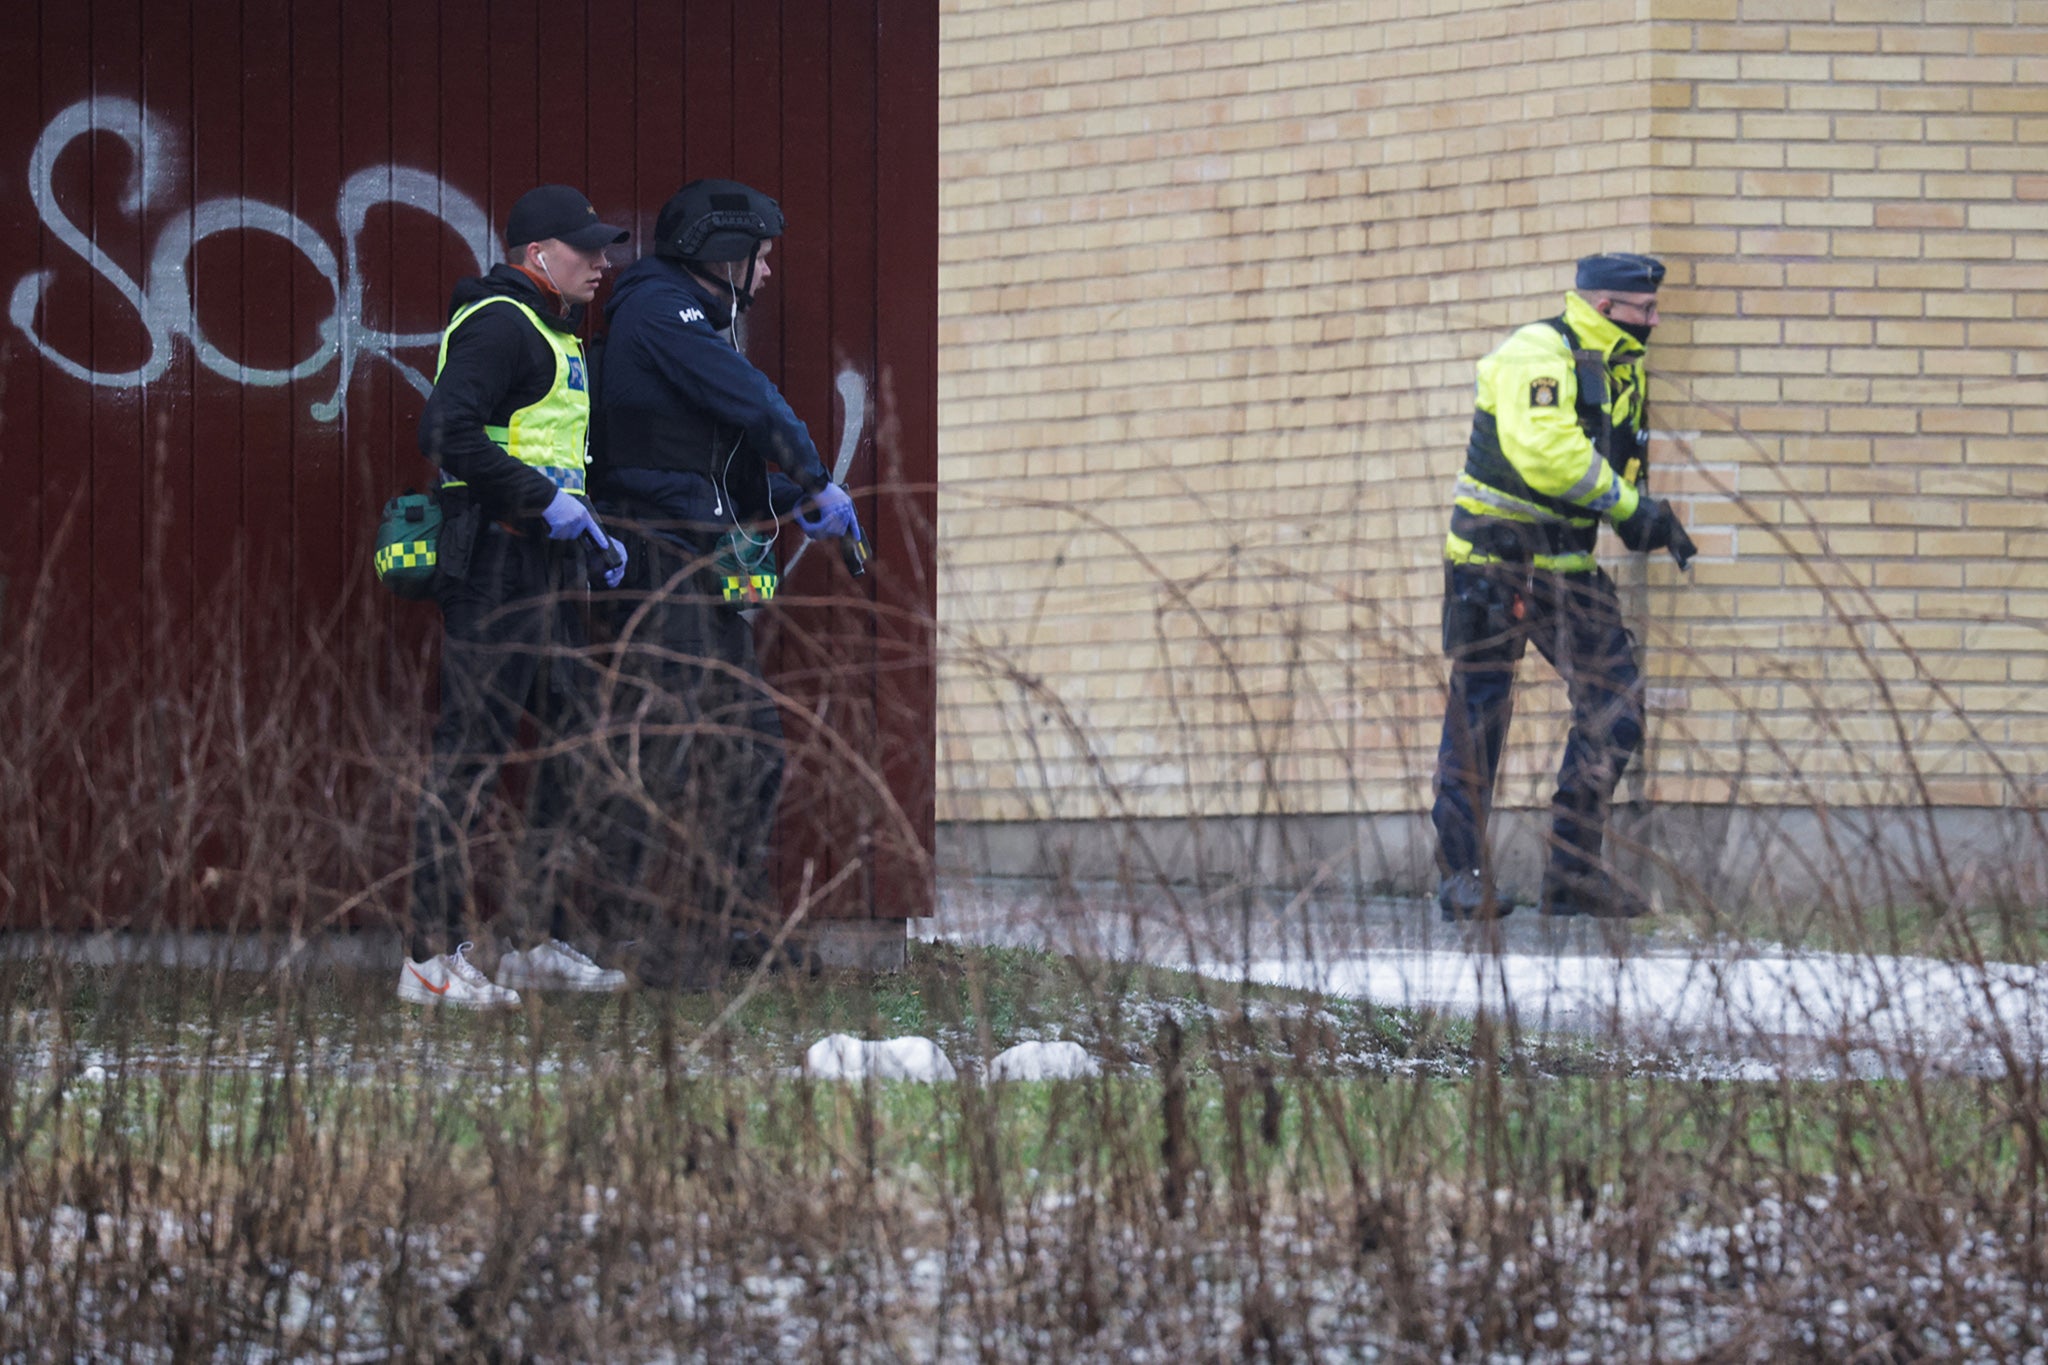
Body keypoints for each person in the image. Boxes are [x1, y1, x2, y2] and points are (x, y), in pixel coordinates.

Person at [588, 178, 861, 988]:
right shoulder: (656, 310)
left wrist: (790, 500)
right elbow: (752, 404)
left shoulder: (694, 322)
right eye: (762, 258)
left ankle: (731, 924)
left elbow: (710, 465)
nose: (769, 274)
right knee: (671, 746)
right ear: (722, 255)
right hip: (658, 558)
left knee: (747, 745)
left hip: (698, 552)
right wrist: (811, 472)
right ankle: (630, 935)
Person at [398, 184, 635, 1007]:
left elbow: (547, 450)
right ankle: (428, 962)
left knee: (574, 743)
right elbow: (446, 433)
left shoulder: (553, 331)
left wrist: (590, 531)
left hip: (549, 568)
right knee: (469, 756)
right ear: (539, 255)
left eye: (604, 249)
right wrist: (543, 503)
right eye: (587, 249)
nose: (602, 263)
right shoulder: (502, 323)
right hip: (496, 564)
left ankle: (535, 938)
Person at [1430, 252, 1696, 923]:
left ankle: (1573, 873)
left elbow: (1609, 462)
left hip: (1567, 567)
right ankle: (1462, 875)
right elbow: (1546, 453)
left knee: (1617, 705)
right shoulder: (1538, 352)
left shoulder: (1619, 371)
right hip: (1496, 562)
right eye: (1645, 309)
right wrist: (1629, 507)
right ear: (1606, 307)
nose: (1656, 319)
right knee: (1480, 714)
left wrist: (1644, 515)